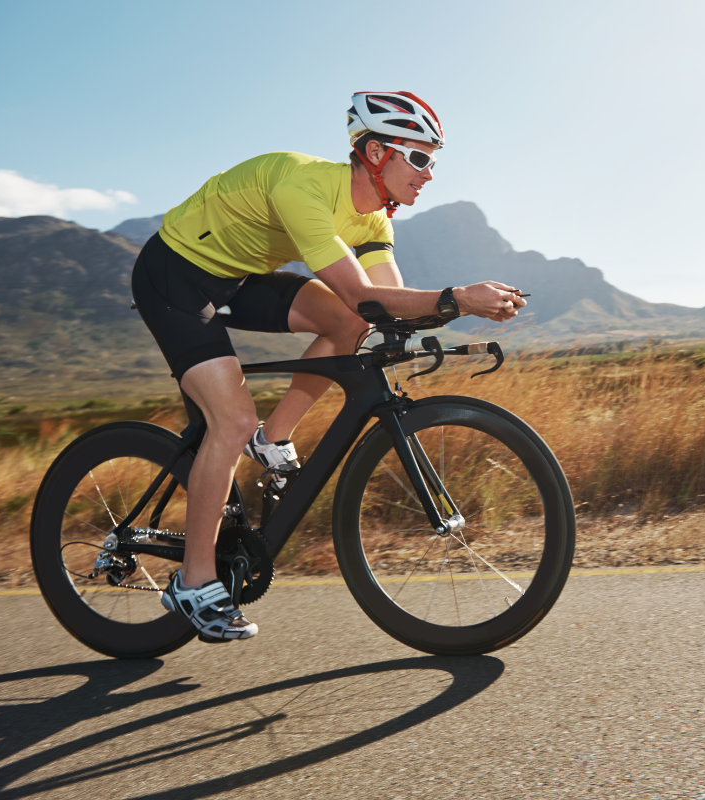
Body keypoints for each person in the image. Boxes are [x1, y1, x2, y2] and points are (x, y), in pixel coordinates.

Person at [130, 91, 526, 642]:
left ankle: (274, 437)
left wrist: (450, 319)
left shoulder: (375, 223)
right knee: (231, 420)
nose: (429, 173)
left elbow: (383, 305)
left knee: (346, 325)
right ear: (373, 152)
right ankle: (195, 582)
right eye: (418, 157)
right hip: (175, 274)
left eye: (433, 160)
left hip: (240, 276)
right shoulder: (304, 187)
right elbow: (364, 293)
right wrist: (459, 297)